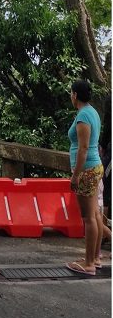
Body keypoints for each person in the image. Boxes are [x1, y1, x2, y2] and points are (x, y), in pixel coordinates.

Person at [65, 80, 104, 275]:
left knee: (88, 218)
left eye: (71, 93)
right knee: (95, 215)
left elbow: (83, 148)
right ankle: (95, 258)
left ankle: (88, 264)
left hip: (86, 170)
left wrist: (75, 176)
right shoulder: (93, 112)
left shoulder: (83, 116)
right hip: (95, 167)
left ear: (75, 95)